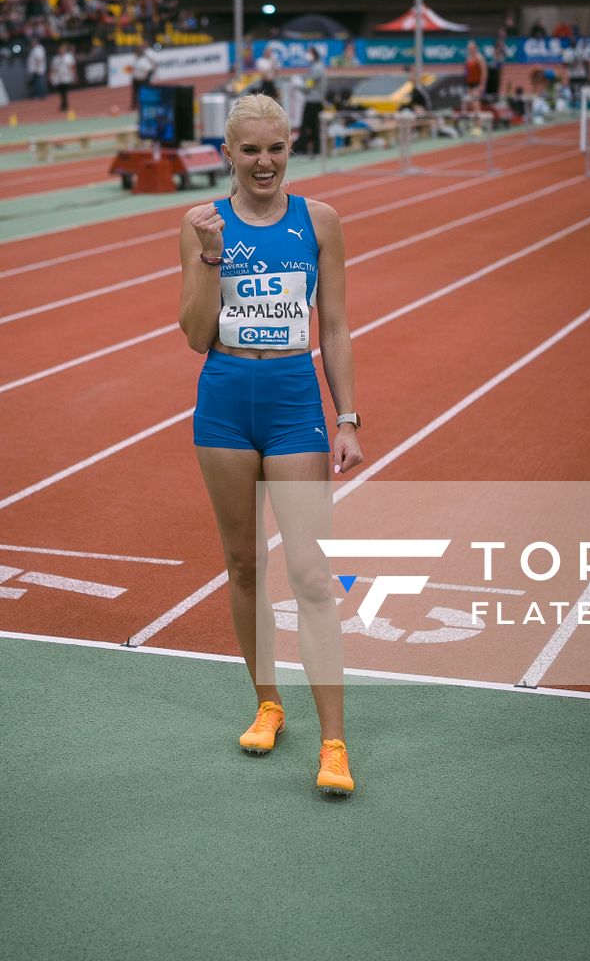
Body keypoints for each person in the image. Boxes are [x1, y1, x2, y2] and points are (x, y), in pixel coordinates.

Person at [178, 94, 364, 797]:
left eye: (276, 148)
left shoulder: (320, 222)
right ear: (227, 153)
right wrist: (207, 259)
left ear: (292, 148)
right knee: (243, 565)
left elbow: (337, 326)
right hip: (224, 403)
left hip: (293, 404)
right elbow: (196, 334)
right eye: (250, 149)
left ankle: (335, 743)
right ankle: (267, 703)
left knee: (312, 575)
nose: (264, 162)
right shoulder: (201, 223)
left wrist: (349, 417)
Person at [49, 44, 78, 113]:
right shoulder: (56, 59)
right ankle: (63, 105)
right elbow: (53, 69)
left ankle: (65, 105)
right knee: (61, 92)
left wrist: (75, 75)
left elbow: (73, 67)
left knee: (65, 92)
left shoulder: (69, 57)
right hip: (58, 78)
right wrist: (51, 76)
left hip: (66, 77)